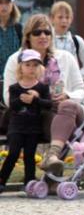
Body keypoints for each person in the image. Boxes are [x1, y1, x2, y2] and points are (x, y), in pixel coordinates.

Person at [3, 14, 84, 176]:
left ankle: (52, 156)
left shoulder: (66, 57)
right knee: (64, 122)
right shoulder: (16, 60)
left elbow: (80, 89)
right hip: (34, 115)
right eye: (37, 32)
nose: (43, 36)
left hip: (66, 109)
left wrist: (67, 95)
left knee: (67, 106)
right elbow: (8, 97)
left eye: (47, 32)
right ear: (28, 36)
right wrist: (31, 98)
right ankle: (53, 177)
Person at [0, 50, 51, 193]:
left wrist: (36, 99)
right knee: (13, 152)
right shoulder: (15, 87)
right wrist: (25, 98)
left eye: (35, 65)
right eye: (28, 65)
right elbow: (13, 105)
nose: (31, 68)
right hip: (16, 127)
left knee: (29, 155)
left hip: (33, 128)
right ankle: (2, 179)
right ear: (20, 67)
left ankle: (29, 182)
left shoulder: (42, 87)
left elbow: (48, 104)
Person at [50, 1, 84, 78]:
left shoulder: (76, 40)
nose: (64, 21)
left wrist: (77, 77)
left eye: (67, 17)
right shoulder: (47, 40)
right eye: (60, 17)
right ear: (52, 19)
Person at [0, 0, 23, 77]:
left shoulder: (18, 28)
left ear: (12, 5)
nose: (4, 6)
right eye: (0, 3)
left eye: (7, 2)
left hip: (14, 76)